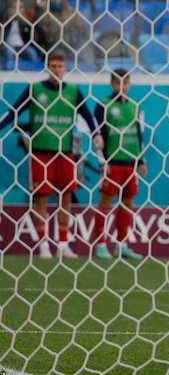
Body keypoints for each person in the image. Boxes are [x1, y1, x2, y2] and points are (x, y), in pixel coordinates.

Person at [0, 51, 104, 258]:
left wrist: (97, 135)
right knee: (41, 198)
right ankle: (44, 246)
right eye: (54, 66)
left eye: (60, 66)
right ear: (48, 67)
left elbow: (88, 116)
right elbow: (13, 112)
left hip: (64, 153)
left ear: (65, 69)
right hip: (40, 153)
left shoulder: (73, 92)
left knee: (65, 198)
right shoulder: (35, 89)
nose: (57, 70)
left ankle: (63, 244)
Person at [92, 69, 147, 260]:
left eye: (125, 83)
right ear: (111, 84)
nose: (122, 87)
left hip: (130, 163)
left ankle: (121, 244)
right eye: (118, 83)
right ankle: (100, 245)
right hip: (112, 163)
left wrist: (141, 160)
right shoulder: (103, 105)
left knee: (128, 204)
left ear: (129, 84)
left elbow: (138, 134)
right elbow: (97, 135)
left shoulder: (134, 106)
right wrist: (102, 161)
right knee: (105, 203)